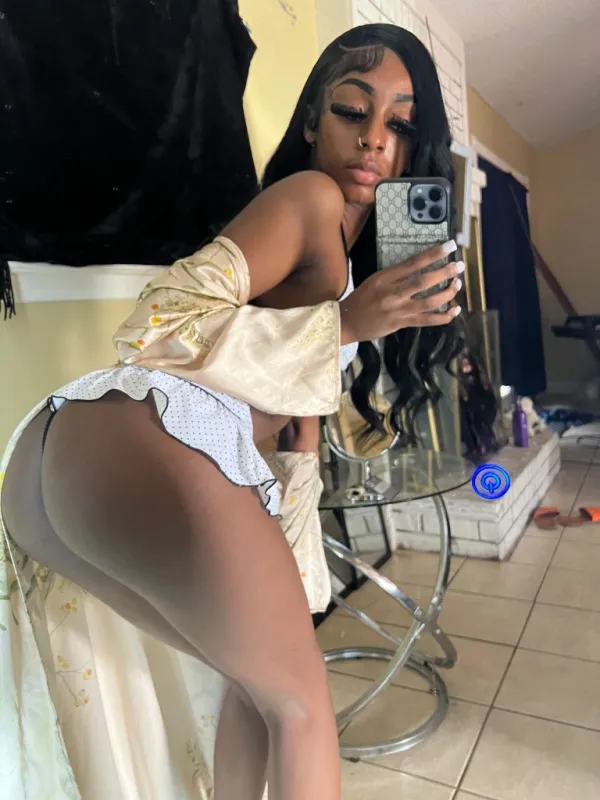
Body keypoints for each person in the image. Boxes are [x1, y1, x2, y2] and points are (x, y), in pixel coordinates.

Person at [0, 23, 463, 800]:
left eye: (402, 125)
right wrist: (349, 324)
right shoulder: (311, 198)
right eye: (353, 111)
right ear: (312, 121)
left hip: (75, 460)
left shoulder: (343, 257)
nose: (375, 139)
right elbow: (157, 322)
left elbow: (297, 418)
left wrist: (297, 558)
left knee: (257, 692)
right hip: (147, 430)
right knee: (301, 708)